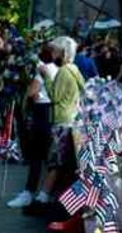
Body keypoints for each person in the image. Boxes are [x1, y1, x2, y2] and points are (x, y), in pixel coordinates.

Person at [32, 35, 85, 222]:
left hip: (61, 121)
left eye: (54, 51)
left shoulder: (63, 72)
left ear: (62, 53)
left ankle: (42, 200)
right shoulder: (74, 69)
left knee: (55, 163)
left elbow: (54, 96)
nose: (52, 54)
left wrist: (46, 77)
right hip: (70, 119)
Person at [8, 43, 55, 210]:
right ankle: (41, 193)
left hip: (42, 112)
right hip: (51, 112)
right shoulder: (59, 69)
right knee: (47, 156)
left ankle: (30, 192)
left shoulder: (44, 70)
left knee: (37, 155)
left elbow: (31, 92)